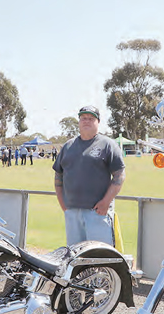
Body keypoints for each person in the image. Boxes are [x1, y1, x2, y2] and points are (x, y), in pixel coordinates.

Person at [53, 105, 126, 246]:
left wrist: (106, 202)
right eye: (83, 118)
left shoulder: (107, 145)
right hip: (72, 214)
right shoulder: (68, 147)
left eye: (91, 118)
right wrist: (64, 205)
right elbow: (58, 177)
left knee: (100, 255)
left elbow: (120, 175)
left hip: (98, 213)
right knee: (75, 255)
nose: (86, 121)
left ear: (98, 122)